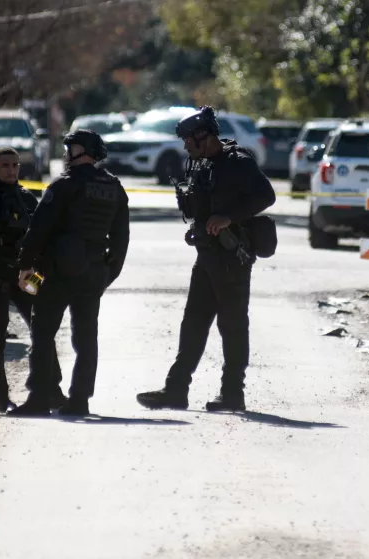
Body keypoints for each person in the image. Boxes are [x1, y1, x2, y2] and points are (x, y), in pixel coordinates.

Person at [136, 106, 276, 413]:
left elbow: (266, 196)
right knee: (194, 323)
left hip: (231, 257)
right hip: (207, 256)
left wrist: (228, 217)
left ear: (203, 135)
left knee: (233, 325)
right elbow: (200, 208)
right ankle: (175, 390)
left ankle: (232, 394)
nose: (185, 145)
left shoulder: (237, 163)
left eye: (189, 139)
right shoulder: (201, 165)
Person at [9, 130, 130, 417]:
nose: (65, 155)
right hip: (93, 274)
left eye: (70, 148)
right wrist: (107, 275)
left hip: (57, 274)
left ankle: (39, 398)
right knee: (86, 338)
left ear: (81, 150)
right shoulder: (114, 187)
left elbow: (39, 229)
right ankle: (79, 400)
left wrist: (25, 265)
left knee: (42, 332)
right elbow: (121, 239)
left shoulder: (64, 186)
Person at [0, 147, 67, 413]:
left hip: (26, 277)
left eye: (15, 165)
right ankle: (0, 398)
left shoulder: (26, 199)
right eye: (6, 165)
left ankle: (52, 390)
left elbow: (42, 241)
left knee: (42, 330)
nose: (11, 170)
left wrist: (46, 277)